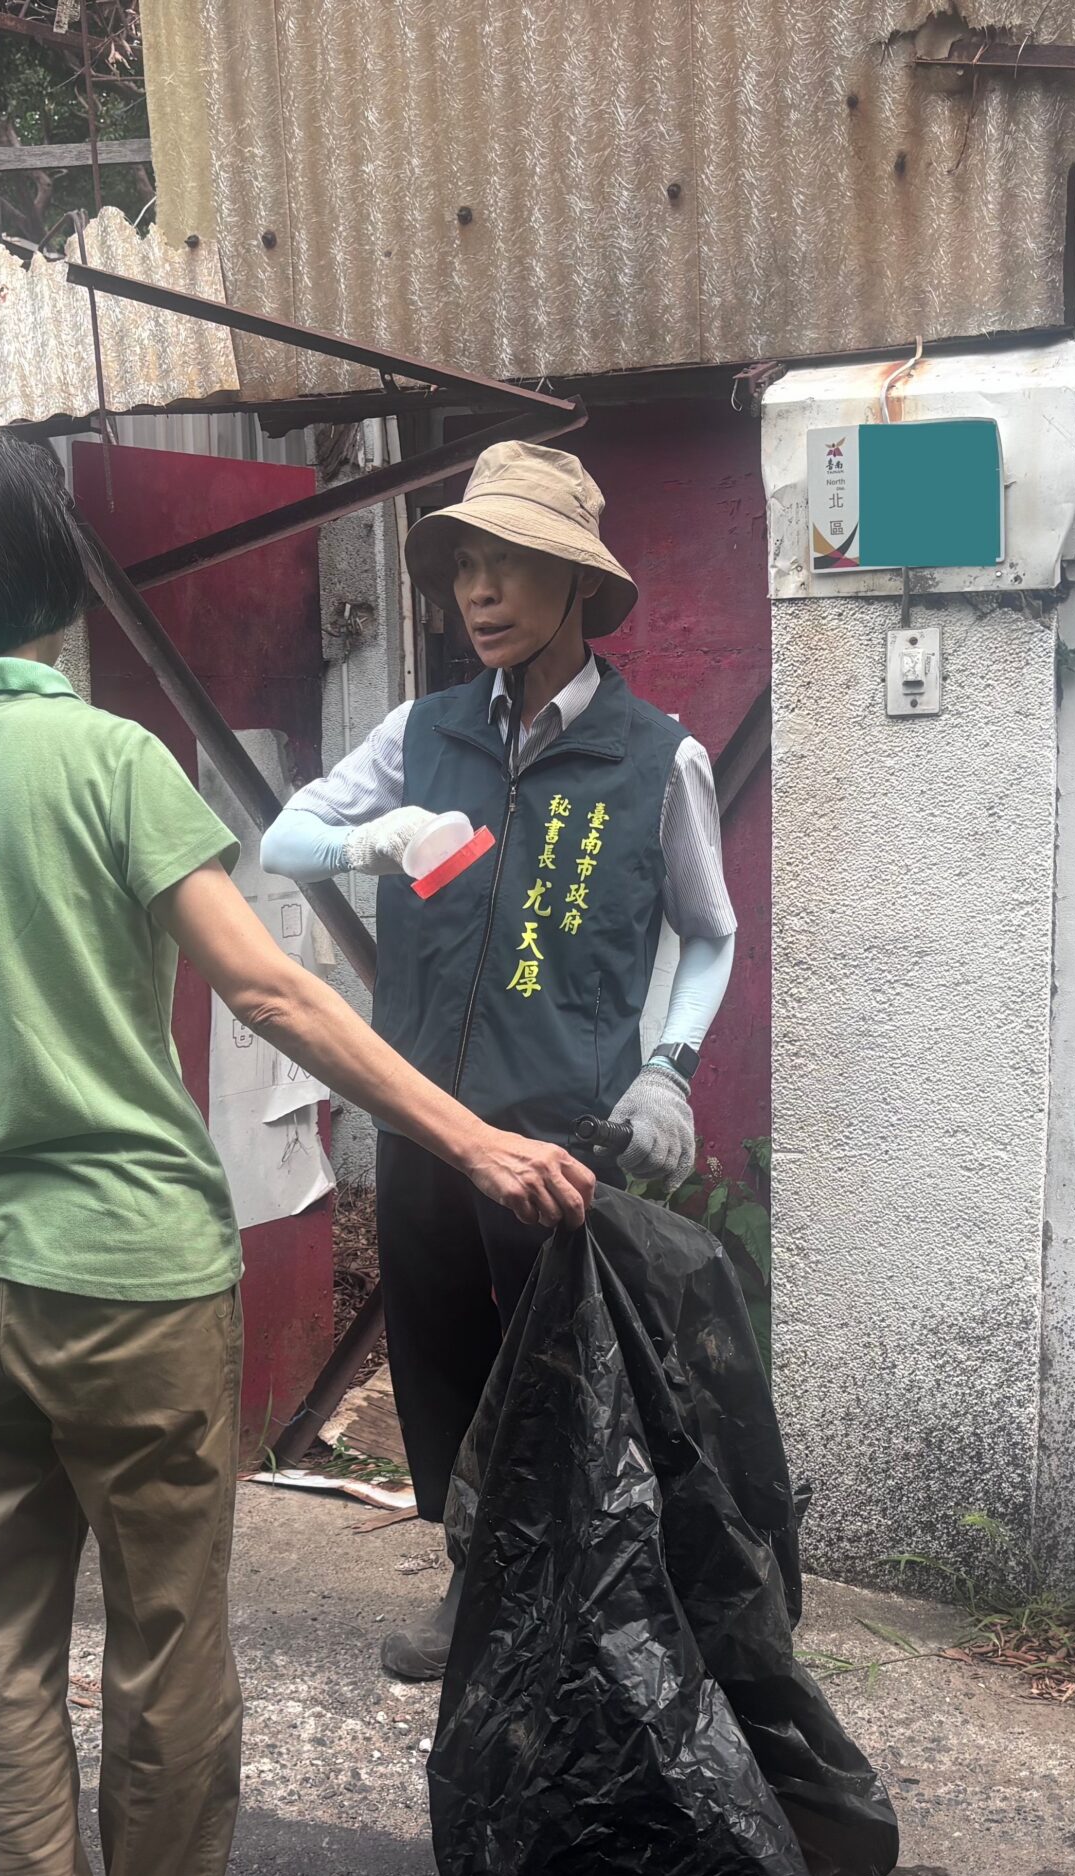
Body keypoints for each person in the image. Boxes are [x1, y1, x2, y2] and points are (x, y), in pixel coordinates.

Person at [0, 427, 593, 1876]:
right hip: (137, 1278)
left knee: (4, 1620)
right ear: (47, 575)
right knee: (166, 1624)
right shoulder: (113, 763)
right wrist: (468, 1135)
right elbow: (271, 990)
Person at [261, 441, 738, 1681]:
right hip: (422, 1113)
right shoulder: (420, 734)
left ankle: (580, 1599)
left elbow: (710, 930)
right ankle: (477, 1582)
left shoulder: (658, 758)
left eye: (511, 564)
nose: (479, 591)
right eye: (467, 565)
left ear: (577, 582)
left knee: (563, 1372)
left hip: (560, 1136)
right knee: (438, 1357)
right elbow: (283, 836)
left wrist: (669, 1067)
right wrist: (373, 841)